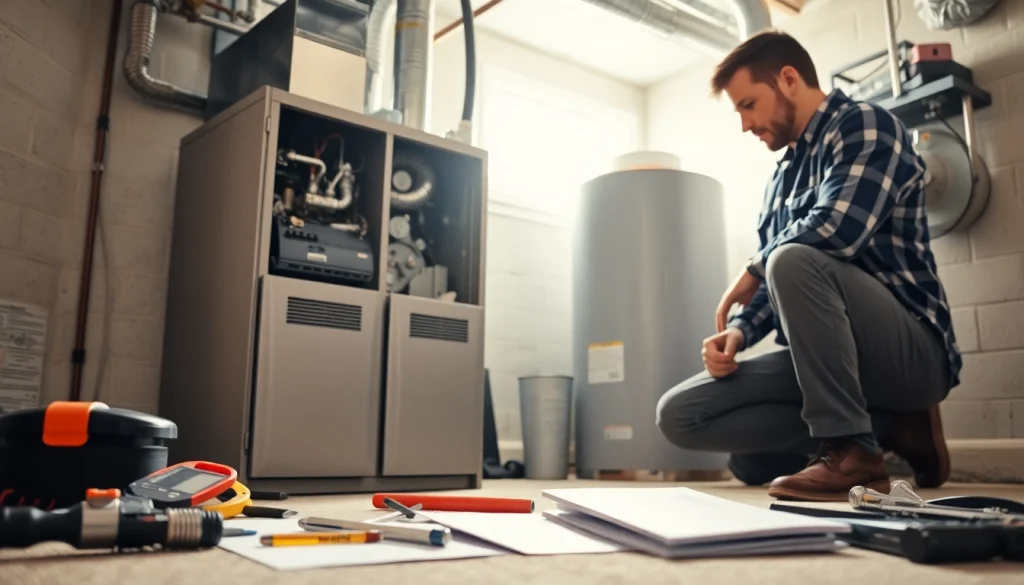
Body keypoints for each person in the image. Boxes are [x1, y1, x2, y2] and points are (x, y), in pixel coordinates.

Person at [654, 30, 961, 502]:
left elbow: (835, 229)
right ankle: (883, 428)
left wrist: (754, 268)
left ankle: (855, 449)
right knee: (687, 419)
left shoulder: (864, 125)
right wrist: (738, 333)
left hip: (910, 355)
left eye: (748, 104)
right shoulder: (780, 180)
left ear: (789, 79)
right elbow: (778, 285)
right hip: (829, 362)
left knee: (791, 255)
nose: (744, 124)